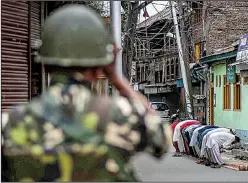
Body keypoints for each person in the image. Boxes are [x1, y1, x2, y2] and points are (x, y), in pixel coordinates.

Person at [1, 5, 171, 182]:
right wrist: (118, 80)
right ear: (101, 67)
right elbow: (162, 141)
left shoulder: (10, 124)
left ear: (44, 64)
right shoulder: (122, 116)